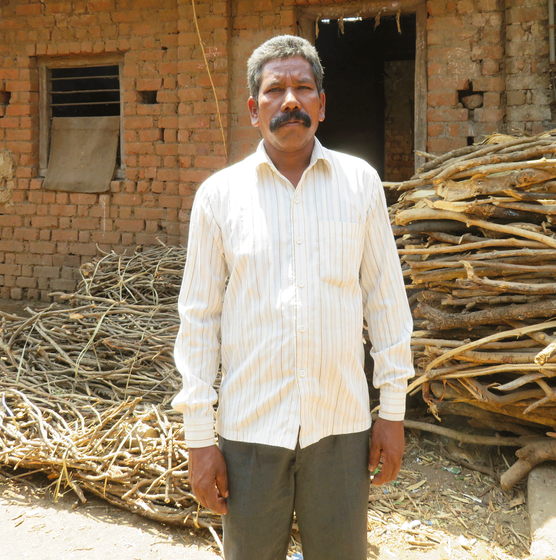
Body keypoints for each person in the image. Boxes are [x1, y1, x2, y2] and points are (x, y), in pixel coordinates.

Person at [172, 35, 414, 560]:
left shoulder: (360, 185)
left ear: (321, 105)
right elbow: (198, 321)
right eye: (275, 89)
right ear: (252, 108)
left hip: (341, 428)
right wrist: (199, 438)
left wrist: (391, 412)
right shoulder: (219, 197)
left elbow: (386, 303)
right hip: (251, 431)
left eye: (303, 88)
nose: (290, 100)